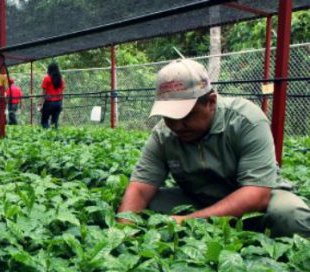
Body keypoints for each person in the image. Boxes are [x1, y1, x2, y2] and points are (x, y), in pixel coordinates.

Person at [117, 58, 310, 238]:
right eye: (169, 117)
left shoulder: (246, 120)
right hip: (200, 199)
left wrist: (189, 221)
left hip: (258, 201)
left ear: (211, 102)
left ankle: (250, 229)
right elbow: (140, 189)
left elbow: (256, 193)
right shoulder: (162, 135)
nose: (176, 126)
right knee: (139, 204)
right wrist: (123, 235)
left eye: (186, 116)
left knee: (291, 215)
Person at [40, 63, 65, 129]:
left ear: (49, 69)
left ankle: (47, 136)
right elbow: (62, 92)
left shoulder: (47, 78)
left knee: (44, 121)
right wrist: (62, 104)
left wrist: (41, 104)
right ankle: (55, 137)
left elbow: (44, 93)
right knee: (55, 122)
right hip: (58, 102)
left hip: (49, 102)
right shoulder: (61, 79)